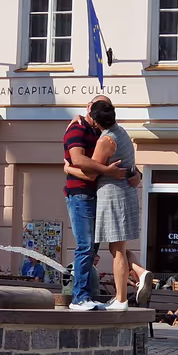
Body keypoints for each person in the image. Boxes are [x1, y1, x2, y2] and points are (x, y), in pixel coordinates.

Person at [62, 95, 129, 311]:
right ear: (89, 108)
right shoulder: (78, 129)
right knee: (85, 246)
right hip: (80, 194)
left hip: (95, 195)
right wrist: (106, 171)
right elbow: (78, 160)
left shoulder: (98, 130)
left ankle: (86, 295)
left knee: (92, 248)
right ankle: (79, 298)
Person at [83, 99, 146, 312]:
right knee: (116, 247)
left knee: (117, 249)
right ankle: (139, 271)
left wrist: (70, 167)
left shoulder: (106, 140)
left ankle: (120, 298)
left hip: (112, 195)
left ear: (96, 121)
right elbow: (132, 169)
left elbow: (91, 170)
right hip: (125, 193)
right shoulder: (121, 132)